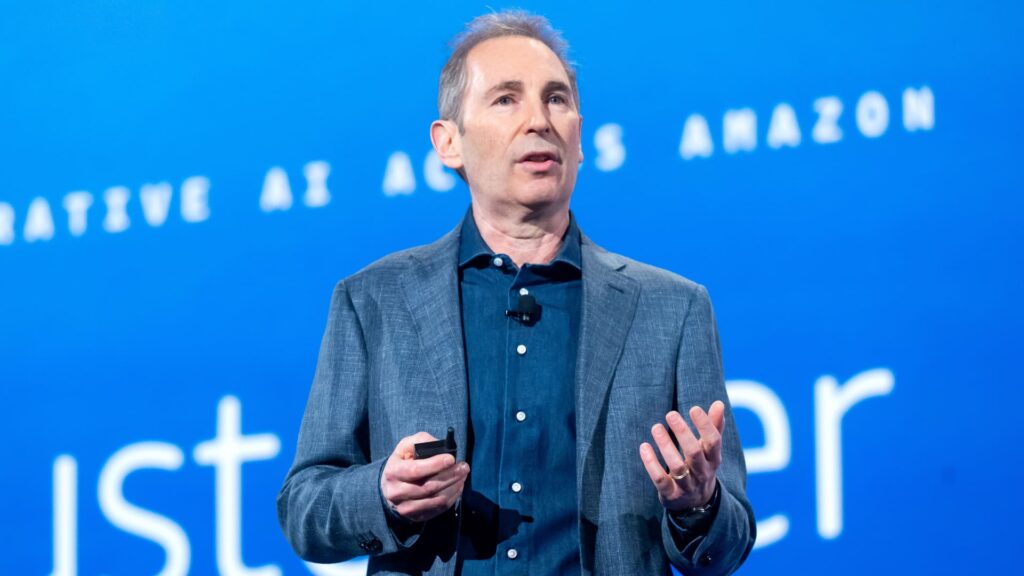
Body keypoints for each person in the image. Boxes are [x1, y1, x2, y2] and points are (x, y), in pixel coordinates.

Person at [277, 10, 755, 575]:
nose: (539, 120)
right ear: (448, 143)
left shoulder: (672, 309)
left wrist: (698, 505)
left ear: (579, 137)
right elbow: (304, 509)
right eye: (506, 99)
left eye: (556, 99)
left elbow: (728, 544)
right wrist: (384, 493)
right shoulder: (374, 300)